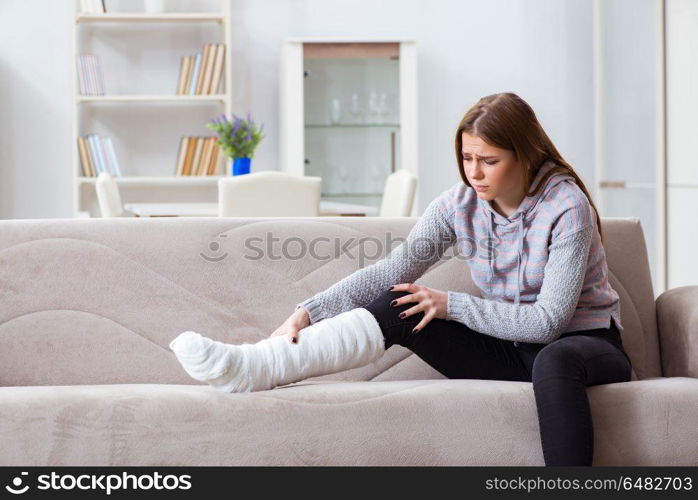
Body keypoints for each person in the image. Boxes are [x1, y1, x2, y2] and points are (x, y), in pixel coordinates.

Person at [169, 92, 633, 466]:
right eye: (467, 157)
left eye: (488, 160)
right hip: (510, 353)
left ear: (525, 155)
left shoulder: (565, 207)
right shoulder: (459, 204)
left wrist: (451, 304)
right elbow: (392, 271)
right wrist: (306, 312)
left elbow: (547, 324)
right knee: (400, 301)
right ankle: (258, 367)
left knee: (553, 360)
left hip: (583, 347)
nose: (474, 173)